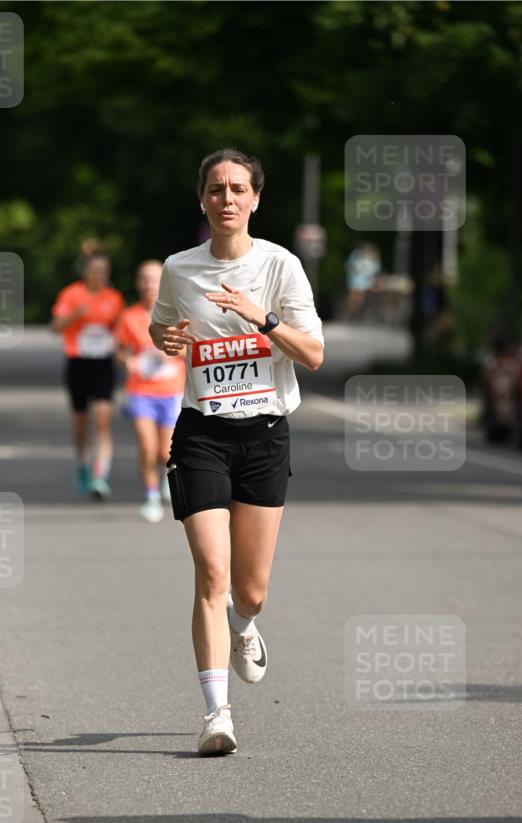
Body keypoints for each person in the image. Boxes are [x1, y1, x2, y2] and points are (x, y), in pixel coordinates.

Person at [149, 148, 324, 756]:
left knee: (250, 591)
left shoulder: (281, 266)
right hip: (202, 434)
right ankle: (216, 714)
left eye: (238, 189)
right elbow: (161, 326)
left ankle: (244, 624)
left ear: (255, 200)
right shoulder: (179, 269)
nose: (227, 198)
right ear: (202, 199)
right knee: (212, 574)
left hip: (265, 435)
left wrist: (261, 318)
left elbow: (313, 354)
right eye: (216, 189)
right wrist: (165, 338)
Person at [115, 260, 186, 523]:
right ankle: (151, 495)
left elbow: (191, 349)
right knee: (147, 447)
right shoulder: (129, 316)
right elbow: (120, 350)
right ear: (138, 283)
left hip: (171, 392)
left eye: (154, 279)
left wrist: (172, 352)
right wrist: (127, 361)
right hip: (141, 391)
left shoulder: (178, 314)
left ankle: (166, 478)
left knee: (165, 452)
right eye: (144, 279)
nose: (149, 285)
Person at [51, 254, 125, 497]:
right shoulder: (71, 294)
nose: (98, 275)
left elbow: (121, 331)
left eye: (103, 270)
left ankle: (100, 476)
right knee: (81, 421)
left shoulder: (114, 298)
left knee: (103, 419)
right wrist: (75, 314)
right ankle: (82, 461)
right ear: (84, 271)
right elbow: (55, 327)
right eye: (93, 269)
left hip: (103, 364)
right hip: (78, 363)